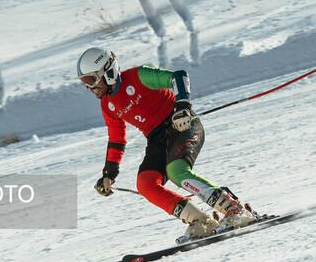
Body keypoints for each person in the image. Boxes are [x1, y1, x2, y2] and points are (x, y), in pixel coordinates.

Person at [77, 47, 256, 239]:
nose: (89, 87)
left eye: (91, 80)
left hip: (181, 124)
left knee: (177, 171)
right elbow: (116, 139)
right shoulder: (107, 104)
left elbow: (178, 77)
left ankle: (234, 210)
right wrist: (109, 173)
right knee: (145, 184)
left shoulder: (138, 76)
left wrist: (182, 106)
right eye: (84, 83)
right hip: (156, 140)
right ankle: (201, 221)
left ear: (108, 72)